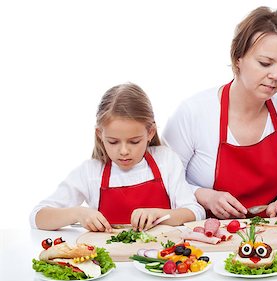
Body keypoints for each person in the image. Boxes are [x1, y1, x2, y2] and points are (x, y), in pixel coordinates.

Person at [163, 6, 277, 220]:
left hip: (269, 232)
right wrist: (206, 196)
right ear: (238, 57)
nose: (275, 75)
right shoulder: (194, 112)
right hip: (205, 238)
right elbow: (163, 180)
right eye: (265, 63)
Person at [30, 83, 205, 232]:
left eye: (134, 141)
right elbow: (37, 217)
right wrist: (78, 213)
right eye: (113, 142)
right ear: (100, 134)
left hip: (160, 261)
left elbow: (195, 212)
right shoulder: (91, 172)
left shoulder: (166, 160)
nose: (123, 151)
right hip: (109, 264)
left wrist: (159, 215)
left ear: (150, 132)